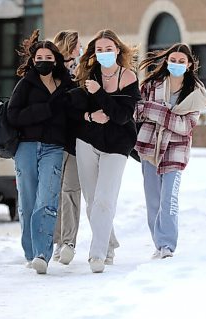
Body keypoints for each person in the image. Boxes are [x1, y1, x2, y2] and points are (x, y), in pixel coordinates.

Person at [69, 29, 140, 273]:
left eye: (108, 49)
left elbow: (121, 116)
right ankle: (108, 243)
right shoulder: (88, 75)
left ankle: (96, 254)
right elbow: (70, 109)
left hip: (118, 145)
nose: (104, 53)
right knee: (91, 201)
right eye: (99, 50)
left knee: (104, 199)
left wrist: (98, 93)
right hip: (87, 141)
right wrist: (89, 115)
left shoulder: (129, 77)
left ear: (118, 50)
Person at [7, 30, 73, 274]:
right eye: (38, 58)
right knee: (27, 201)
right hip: (25, 147)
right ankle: (30, 251)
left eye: (48, 57)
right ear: (33, 61)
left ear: (55, 59)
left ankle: (42, 254)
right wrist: (43, 110)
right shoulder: (25, 84)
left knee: (46, 200)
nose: (43, 61)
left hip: (54, 149)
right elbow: (14, 116)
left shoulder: (66, 85)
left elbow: (72, 116)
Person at [134, 43, 206, 259]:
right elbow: (137, 111)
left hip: (176, 151)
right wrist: (168, 115)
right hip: (149, 147)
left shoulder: (196, 94)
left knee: (169, 198)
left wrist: (154, 110)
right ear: (167, 61)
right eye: (173, 60)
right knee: (153, 199)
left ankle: (167, 245)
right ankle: (158, 243)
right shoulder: (151, 85)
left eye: (181, 62)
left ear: (189, 65)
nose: (176, 64)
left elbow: (185, 126)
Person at [51, 30, 82, 265]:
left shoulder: (83, 72)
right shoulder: (52, 74)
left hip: (76, 143)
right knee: (55, 193)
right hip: (54, 142)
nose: (80, 50)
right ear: (70, 47)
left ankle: (68, 242)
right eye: (78, 46)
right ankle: (57, 241)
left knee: (70, 191)